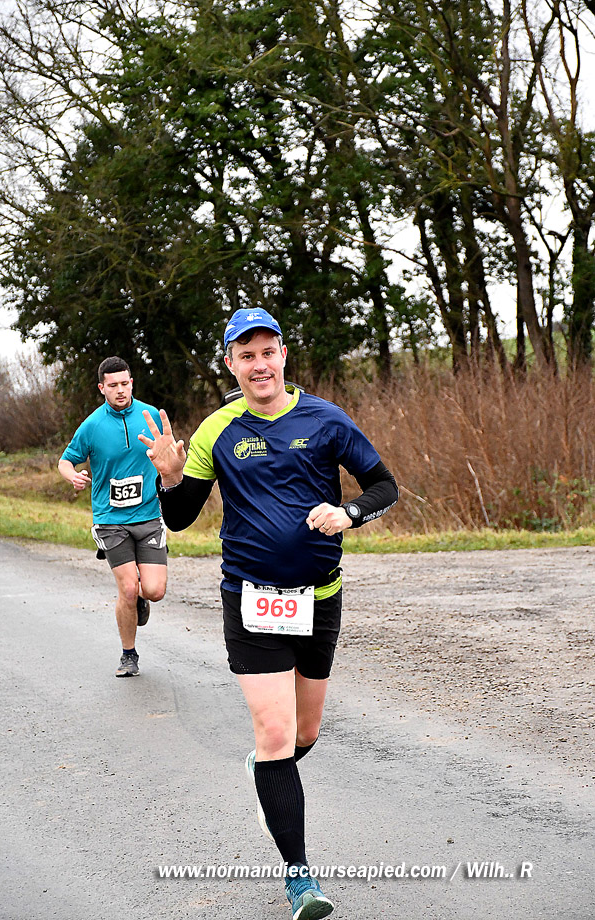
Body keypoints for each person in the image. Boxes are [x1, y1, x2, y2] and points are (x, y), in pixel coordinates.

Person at [139, 309, 398, 919]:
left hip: (320, 598)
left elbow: (384, 486)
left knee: (305, 734)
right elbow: (180, 517)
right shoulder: (218, 429)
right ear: (231, 364)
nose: (259, 365)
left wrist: (348, 514)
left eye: (267, 352)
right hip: (250, 599)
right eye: (246, 355)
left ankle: (266, 772)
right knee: (278, 734)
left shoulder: (326, 419)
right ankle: (300, 878)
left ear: (284, 355)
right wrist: (170, 477)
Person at [58, 356, 168, 678]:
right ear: (101, 388)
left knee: (154, 590)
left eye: (124, 383)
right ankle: (129, 655)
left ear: (131, 383)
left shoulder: (151, 416)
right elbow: (65, 461)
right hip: (110, 519)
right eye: (113, 385)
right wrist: (73, 476)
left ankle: (140, 599)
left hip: (148, 514)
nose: (120, 390)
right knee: (128, 588)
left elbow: (167, 456)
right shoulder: (92, 425)